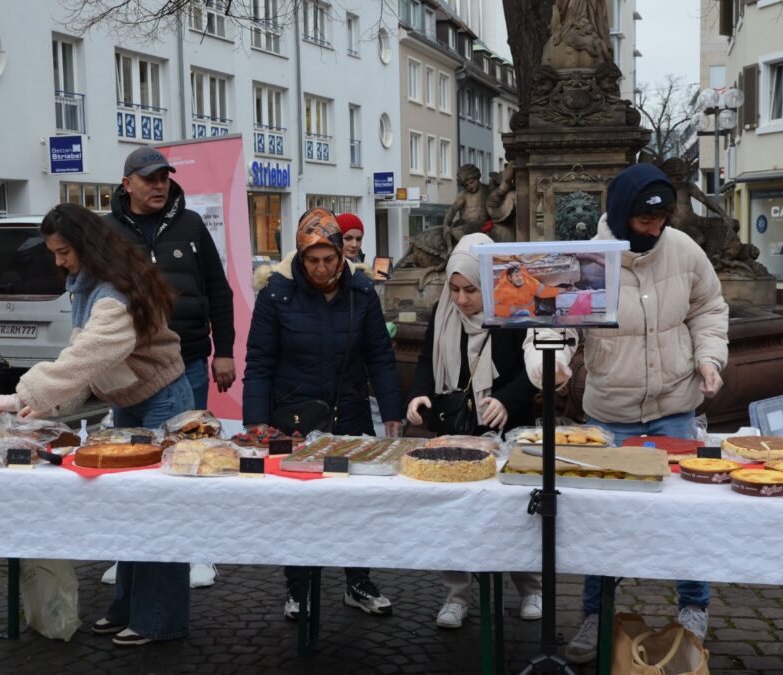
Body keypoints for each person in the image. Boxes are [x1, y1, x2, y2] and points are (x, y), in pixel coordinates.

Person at [524, 163, 728, 664]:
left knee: (686, 515)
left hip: (675, 406)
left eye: (661, 218)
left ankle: (694, 608)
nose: (655, 228)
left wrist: (709, 358)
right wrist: (548, 366)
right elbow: (559, 322)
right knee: (601, 521)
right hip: (610, 411)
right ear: (620, 214)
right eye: (644, 220)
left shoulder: (684, 250)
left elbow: (709, 308)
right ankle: (596, 613)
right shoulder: (586, 258)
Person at [0, 204, 193, 647]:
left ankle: (159, 619)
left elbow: (85, 357)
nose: (58, 262)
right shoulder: (87, 284)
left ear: (89, 248)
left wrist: (25, 395)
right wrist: (48, 405)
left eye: (63, 252)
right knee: (132, 511)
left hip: (162, 402)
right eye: (54, 253)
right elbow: (89, 364)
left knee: (157, 513)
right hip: (131, 403)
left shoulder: (115, 294)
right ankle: (128, 608)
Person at [243, 206, 403, 620]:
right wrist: (256, 422)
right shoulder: (276, 293)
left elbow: (380, 358)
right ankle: (299, 587)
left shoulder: (361, 291)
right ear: (299, 255)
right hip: (294, 415)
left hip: (349, 411)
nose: (320, 267)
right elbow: (259, 361)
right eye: (311, 260)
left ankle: (358, 581)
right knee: (300, 505)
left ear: (340, 253)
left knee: (356, 501)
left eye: (329, 258)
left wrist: (392, 413)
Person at [103, 145, 232, 588]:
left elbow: (218, 290)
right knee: (134, 461)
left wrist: (226, 350)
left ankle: (197, 551)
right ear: (128, 184)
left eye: (163, 177)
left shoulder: (192, 225)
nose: (159, 185)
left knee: (189, 458)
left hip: (190, 360)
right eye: (149, 178)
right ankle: (132, 555)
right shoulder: (108, 233)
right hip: (130, 367)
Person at [404, 233, 543, 630]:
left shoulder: (514, 310)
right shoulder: (444, 312)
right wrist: (417, 397)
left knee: (515, 513)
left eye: (471, 290)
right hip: (454, 428)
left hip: (504, 427)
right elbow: (426, 364)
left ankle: (530, 588)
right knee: (453, 513)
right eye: (455, 289)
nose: (461, 299)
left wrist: (507, 400)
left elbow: (531, 372)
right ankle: (456, 595)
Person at [492, 263, 560, 318]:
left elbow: (544, 291)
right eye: (516, 276)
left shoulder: (528, 281)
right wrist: (512, 309)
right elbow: (492, 309)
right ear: (509, 277)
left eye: (521, 275)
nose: (520, 278)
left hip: (529, 318)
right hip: (508, 320)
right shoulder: (500, 290)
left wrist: (562, 290)